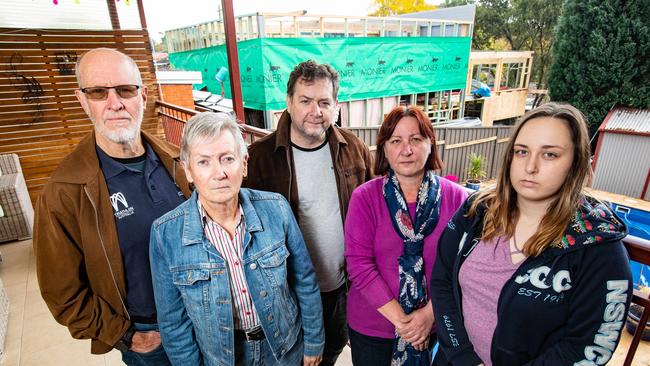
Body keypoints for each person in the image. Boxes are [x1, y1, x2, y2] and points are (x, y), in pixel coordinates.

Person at [430, 102, 632, 365]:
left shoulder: (599, 249)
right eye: (522, 152)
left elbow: (587, 347)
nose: (531, 167)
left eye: (550, 155)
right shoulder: (477, 211)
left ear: (575, 163)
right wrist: (463, 356)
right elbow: (442, 280)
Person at [33, 48, 190, 365]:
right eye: (98, 92)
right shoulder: (66, 192)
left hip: (205, 316)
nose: (114, 103)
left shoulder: (177, 161)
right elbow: (61, 293)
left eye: (125, 89)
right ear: (82, 100)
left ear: (143, 95)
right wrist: (125, 335)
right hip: (151, 337)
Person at [150, 112, 324, 365]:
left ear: (243, 164)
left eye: (227, 159)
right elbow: (173, 322)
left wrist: (314, 342)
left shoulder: (276, 209)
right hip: (222, 358)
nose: (218, 172)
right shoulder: (165, 234)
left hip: (285, 349)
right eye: (204, 162)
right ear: (188, 171)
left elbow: (304, 280)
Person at [244, 59, 373, 365]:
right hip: (287, 296)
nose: (316, 111)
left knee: (329, 353)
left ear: (336, 106)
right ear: (288, 103)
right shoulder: (259, 159)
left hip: (342, 288)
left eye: (324, 102)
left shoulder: (354, 149)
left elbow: (373, 217)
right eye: (305, 100)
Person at [344, 106, 468, 366]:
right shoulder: (365, 198)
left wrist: (428, 317)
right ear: (385, 148)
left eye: (416, 139)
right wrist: (407, 324)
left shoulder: (459, 198)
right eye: (396, 141)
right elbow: (359, 265)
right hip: (373, 328)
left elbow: (464, 267)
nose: (406, 149)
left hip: (438, 324)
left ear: (430, 143)